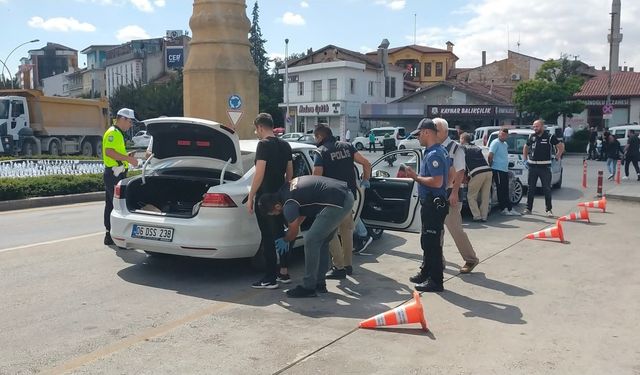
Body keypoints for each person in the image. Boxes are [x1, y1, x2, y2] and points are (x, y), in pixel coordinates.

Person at [258, 175, 354, 298]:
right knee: (322, 240)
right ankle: (320, 283)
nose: (275, 215)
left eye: (273, 213)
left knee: (311, 240)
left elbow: (294, 231)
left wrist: (285, 239)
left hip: (336, 202)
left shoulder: (288, 205)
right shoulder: (285, 191)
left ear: (277, 206)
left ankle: (309, 287)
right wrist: (291, 230)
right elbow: (302, 213)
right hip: (344, 195)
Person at [312, 124, 371, 280]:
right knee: (347, 231)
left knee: (330, 232)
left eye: (315, 137)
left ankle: (338, 267)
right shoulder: (348, 146)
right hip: (349, 196)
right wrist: (366, 180)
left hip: (331, 198)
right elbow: (366, 163)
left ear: (319, 136)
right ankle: (348, 265)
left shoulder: (320, 151)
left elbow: (316, 177)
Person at [247, 113, 294, 289]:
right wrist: (285, 192)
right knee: (280, 234)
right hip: (280, 196)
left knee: (267, 237)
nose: (256, 133)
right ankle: (284, 271)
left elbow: (259, 173)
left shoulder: (263, 145)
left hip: (265, 198)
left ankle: (269, 278)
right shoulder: (285, 144)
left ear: (260, 127)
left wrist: (251, 196)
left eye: (256, 129)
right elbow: (290, 172)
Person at [403, 118, 449, 292]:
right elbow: (449, 174)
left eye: (419, 134)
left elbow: (437, 182)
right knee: (427, 241)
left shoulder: (434, 154)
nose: (418, 138)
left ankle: (436, 281)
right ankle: (426, 272)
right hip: (434, 202)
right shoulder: (439, 151)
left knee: (432, 244)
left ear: (426, 132)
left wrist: (415, 177)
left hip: (433, 204)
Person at [434, 117, 480, 274]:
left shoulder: (456, 148)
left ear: (445, 132)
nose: (434, 132)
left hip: (451, 193)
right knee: (436, 229)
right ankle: (438, 261)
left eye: (437, 130)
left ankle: (471, 259)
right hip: (437, 194)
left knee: (455, 229)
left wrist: (454, 192)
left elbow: (460, 171)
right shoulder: (434, 147)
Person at [103, 108, 139, 245]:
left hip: (115, 172)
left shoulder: (117, 133)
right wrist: (128, 160)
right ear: (122, 119)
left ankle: (109, 235)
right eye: (129, 122)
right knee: (119, 205)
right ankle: (118, 236)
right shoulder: (113, 133)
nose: (130, 125)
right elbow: (109, 152)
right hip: (114, 174)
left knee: (111, 205)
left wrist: (126, 157)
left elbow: (115, 153)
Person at [522, 119, 564, 217]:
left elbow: (560, 146)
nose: (534, 128)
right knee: (531, 188)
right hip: (532, 167)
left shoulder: (550, 137)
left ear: (542, 126)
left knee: (547, 189)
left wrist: (558, 156)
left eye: (536, 126)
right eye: (534, 126)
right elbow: (525, 147)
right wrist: (525, 159)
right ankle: (528, 208)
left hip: (544, 167)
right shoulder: (532, 137)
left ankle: (548, 210)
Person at [460, 132, 493, 221]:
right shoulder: (477, 147)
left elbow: (463, 164)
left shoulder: (462, 148)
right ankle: (484, 216)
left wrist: (464, 176)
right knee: (485, 195)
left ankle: (477, 216)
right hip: (488, 171)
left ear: (463, 139)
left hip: (477, 172)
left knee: (471, 196)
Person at [488, 128, 520, 216]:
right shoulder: (495, 142)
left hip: (504, 169)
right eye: (501, 134)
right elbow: (490, 155)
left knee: (506, 189)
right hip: (497, 169)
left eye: (504, 135)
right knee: (500, 189)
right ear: (499, 134)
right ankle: (503, 208)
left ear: (507, 136)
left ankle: (509, 208)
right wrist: (491, 166)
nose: (502, 136)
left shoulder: (505, 144)